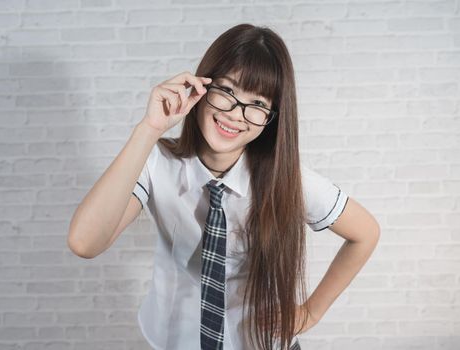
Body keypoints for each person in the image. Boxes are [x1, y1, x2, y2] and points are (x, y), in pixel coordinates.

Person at [68, 23, 381, 350]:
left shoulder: (288, 180)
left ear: (272, 117)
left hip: (258, 343)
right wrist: (149, 128)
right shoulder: (156, 163)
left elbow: (366, 233)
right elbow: (84, 242)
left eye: (258, 104)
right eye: (227, 91)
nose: (235, 114)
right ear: (200, 87)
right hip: (174, 339)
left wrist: (310, 313)